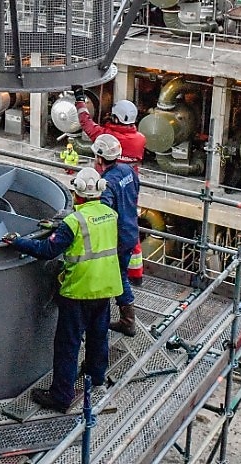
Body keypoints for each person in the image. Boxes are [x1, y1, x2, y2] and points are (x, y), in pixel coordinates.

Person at [3, 167, 121, 412]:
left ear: (76, 194)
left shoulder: (73, 222)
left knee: (67, 346)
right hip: (106, 286)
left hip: (79, 291)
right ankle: (96, 376)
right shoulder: (110, 214)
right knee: (99, 336)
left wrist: (17, 242)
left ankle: (60, 397)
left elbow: (48, 250)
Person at [91, 134, 141, 337]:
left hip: (118, 236)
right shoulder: (128, 170)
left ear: (100, 158)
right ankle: (126, 319)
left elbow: (104, 212)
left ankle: (127, 321)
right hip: (131, 230)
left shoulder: (107, 182)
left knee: (116, 277)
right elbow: (135, 191)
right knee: (120, 275)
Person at [71, 85, 146, 170]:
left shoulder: (105, 136)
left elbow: (86, 122)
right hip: (129, 178)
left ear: (117, 119)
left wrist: (80, 99)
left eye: (113, 115)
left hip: (106, 179)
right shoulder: (141, 139)